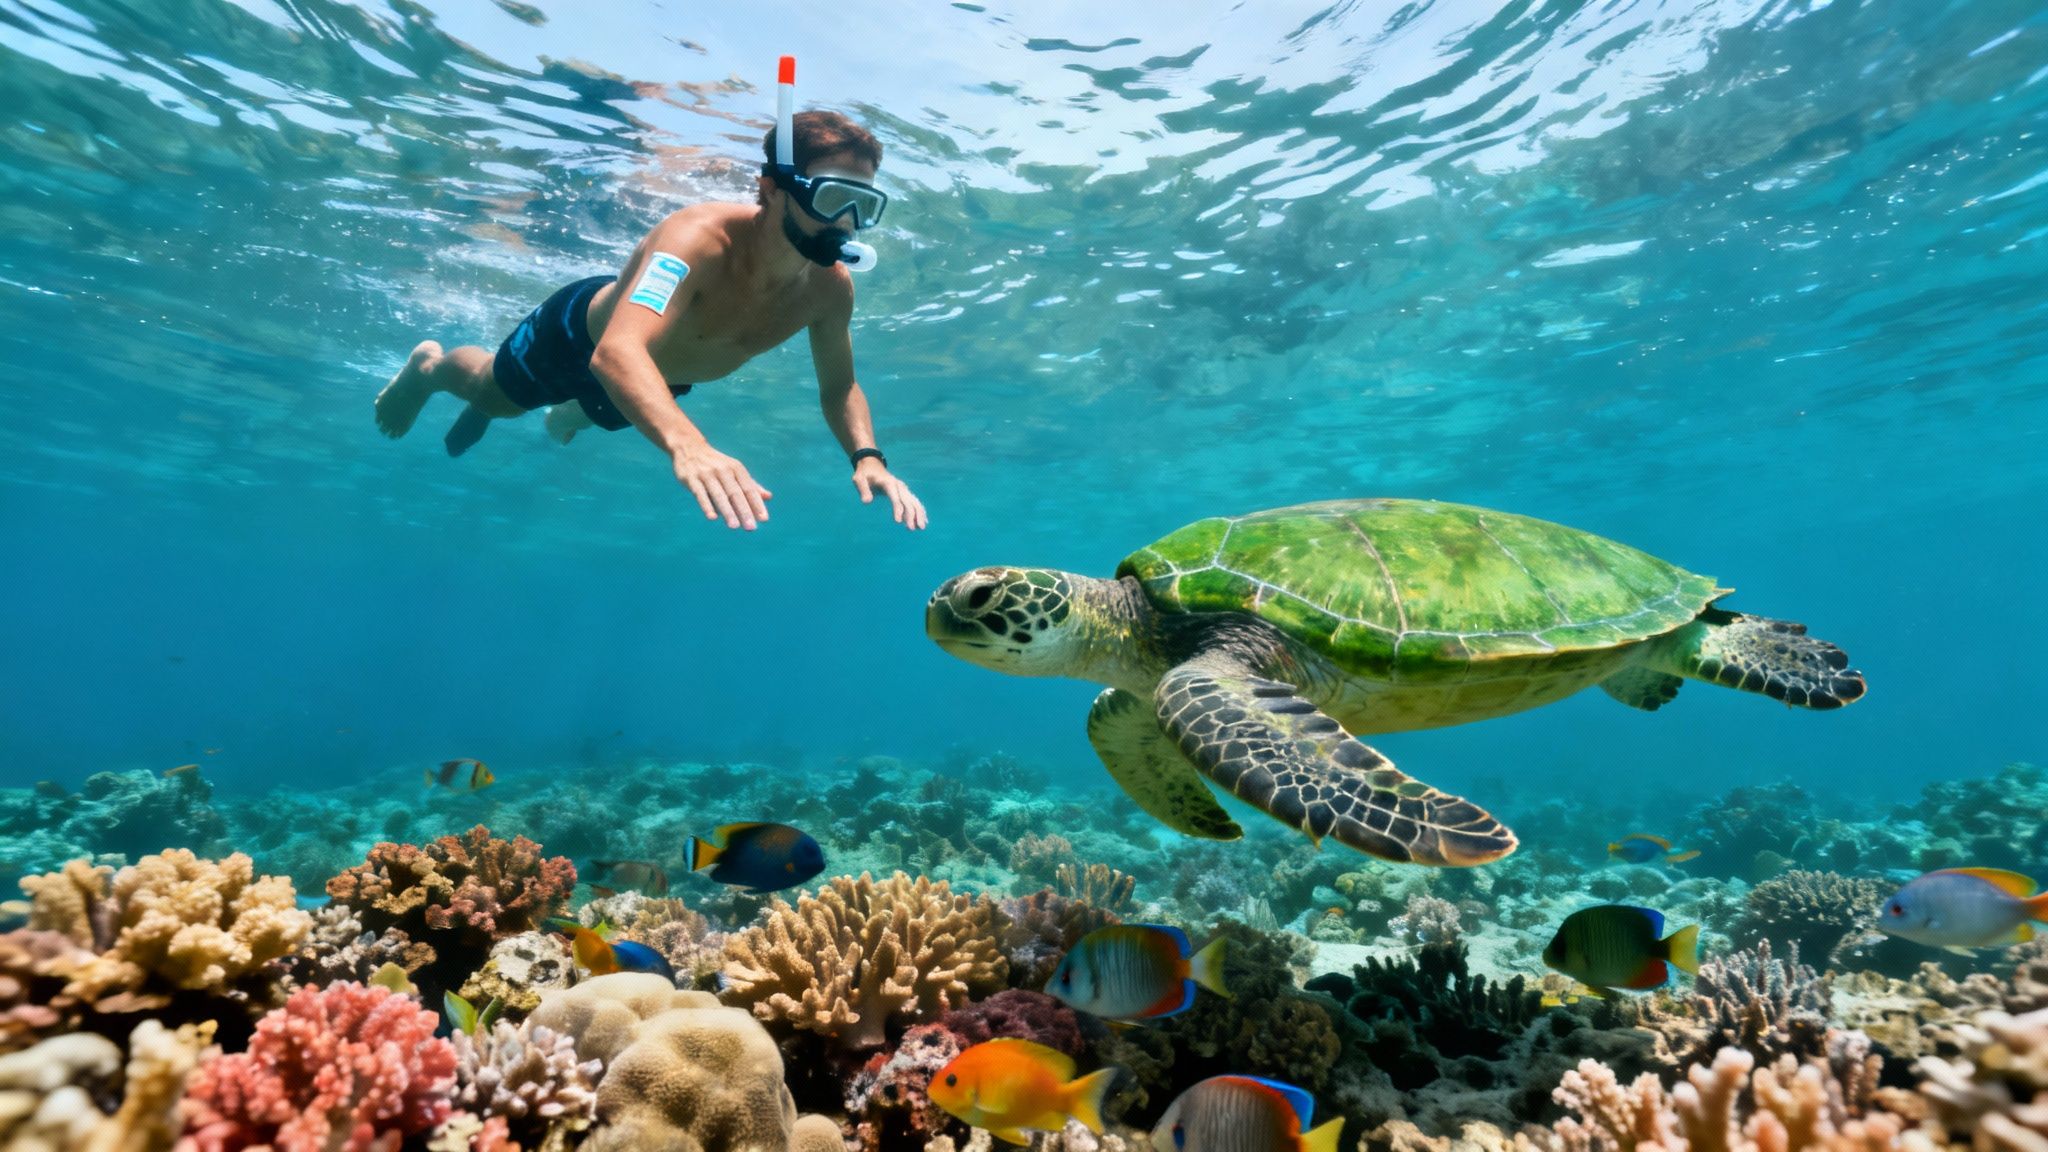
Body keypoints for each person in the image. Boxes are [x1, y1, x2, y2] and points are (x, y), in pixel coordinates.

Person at [374, 110, 926, 532]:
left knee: (585, 413)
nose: (847, 224)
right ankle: (429, 368)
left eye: (864, 206)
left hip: (654, 382)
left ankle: (567, 412)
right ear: (770, 190)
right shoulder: (697, 240)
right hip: (582, 338)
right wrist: (689, 446)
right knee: (494, 396)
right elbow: (616, 353)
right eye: (833, 199)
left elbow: (839, 386)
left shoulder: (830, 288)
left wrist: (868, 457)